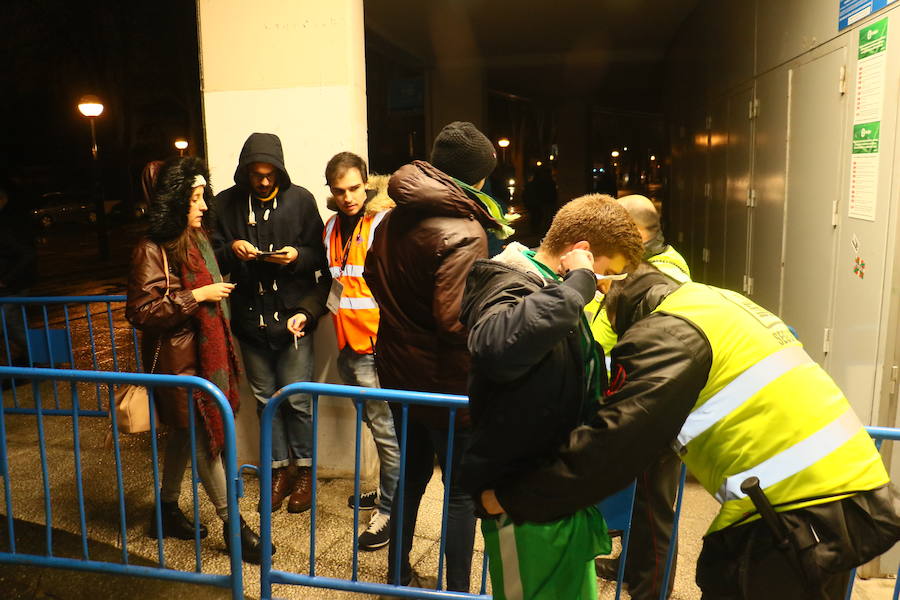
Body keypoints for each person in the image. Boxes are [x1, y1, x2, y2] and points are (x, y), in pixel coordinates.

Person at [481, 263, 900, 599]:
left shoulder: (665, 332)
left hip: (793, 517)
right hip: (848, 497)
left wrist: (514, 497)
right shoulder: (713, 302)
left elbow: (610, 447)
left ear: (628, 315)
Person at [459, 194, 644, 600]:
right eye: (604, 273)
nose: (602, 287)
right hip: (520, 503)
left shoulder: (552, 290)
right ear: (581, 253)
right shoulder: (507, 281)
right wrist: (580, 283)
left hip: (553, 494)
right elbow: (497, 347)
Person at [364, 121, 501, 592]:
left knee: (412, 475)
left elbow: (371, 273)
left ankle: (397, 576)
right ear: (475, 178)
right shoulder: (465, 229)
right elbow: (453, 321)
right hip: (447, 382)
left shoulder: (392, 216)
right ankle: (459, 590)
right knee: (461, 491)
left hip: (399, 371)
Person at [125, 156, 270, 563]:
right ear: (173, 202)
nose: (204, 205)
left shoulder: (196, 240)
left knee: (185, 437)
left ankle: (166, 511)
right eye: (194, 198)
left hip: (200, 361)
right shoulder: (151, 249)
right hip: (179, 367)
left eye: (203, 195)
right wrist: (198, 297)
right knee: (204, 440)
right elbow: (140, 311)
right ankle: (234, 526)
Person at [210, 133, 327, 515]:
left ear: (279, 170)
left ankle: (305, 472)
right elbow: (209, 254)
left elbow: (322, 262)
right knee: (265, 403)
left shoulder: (301, 200)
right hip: (249, 321)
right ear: (245, 172)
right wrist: (233, 251)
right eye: (255, 174)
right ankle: (278, 472)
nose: (262, 181)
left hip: (293, 321)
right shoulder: (225, 204)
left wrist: (297, 256)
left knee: (297, 401)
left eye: (269, 174)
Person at [290, 151, 400, 551]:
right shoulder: (332, 226)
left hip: (377, 347)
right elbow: (334, 285)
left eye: (355, 188)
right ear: (331, 193)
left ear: (367, 184)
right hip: (348, 345)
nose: (349, 196)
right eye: (340, 191)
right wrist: (308, 313)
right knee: (374, 426)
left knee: (387, 432)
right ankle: (389, 489)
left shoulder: (382, 224)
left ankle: (391, 508)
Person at [587, 193, 690, 599]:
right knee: (641, 499)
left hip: (654, 404)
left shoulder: (662, 278)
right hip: (632, 393)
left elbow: (649, 345)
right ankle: (630, 565)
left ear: (638, 232)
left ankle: (654, 589)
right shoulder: (644, 265)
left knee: (656, 507)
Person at [0, 178, 37, 371]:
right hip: (13, 284)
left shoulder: (7, 224)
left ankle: (40, 359)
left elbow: (26, 254)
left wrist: (6, 279)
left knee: (10, 321)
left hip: (13, 286)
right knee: (12, 323)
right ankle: (25, 359)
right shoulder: (10, 220)